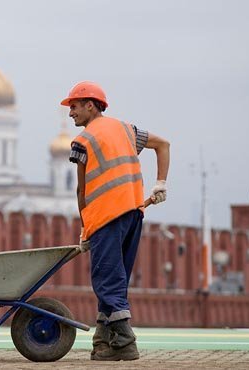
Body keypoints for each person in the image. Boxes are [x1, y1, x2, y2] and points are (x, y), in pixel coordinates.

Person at [61, 81, 170, 361]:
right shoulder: (126, 129)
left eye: (74, 106)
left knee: (107, 280)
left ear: (91, 105)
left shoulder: (82, 142)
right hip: (134, 213)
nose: (70, 112)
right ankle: (104, 341)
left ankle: (125, 341)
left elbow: (81, 190)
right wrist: (160, 184)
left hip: (106, 218)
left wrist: (85, 229)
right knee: (116, 280)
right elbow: (163, 144)